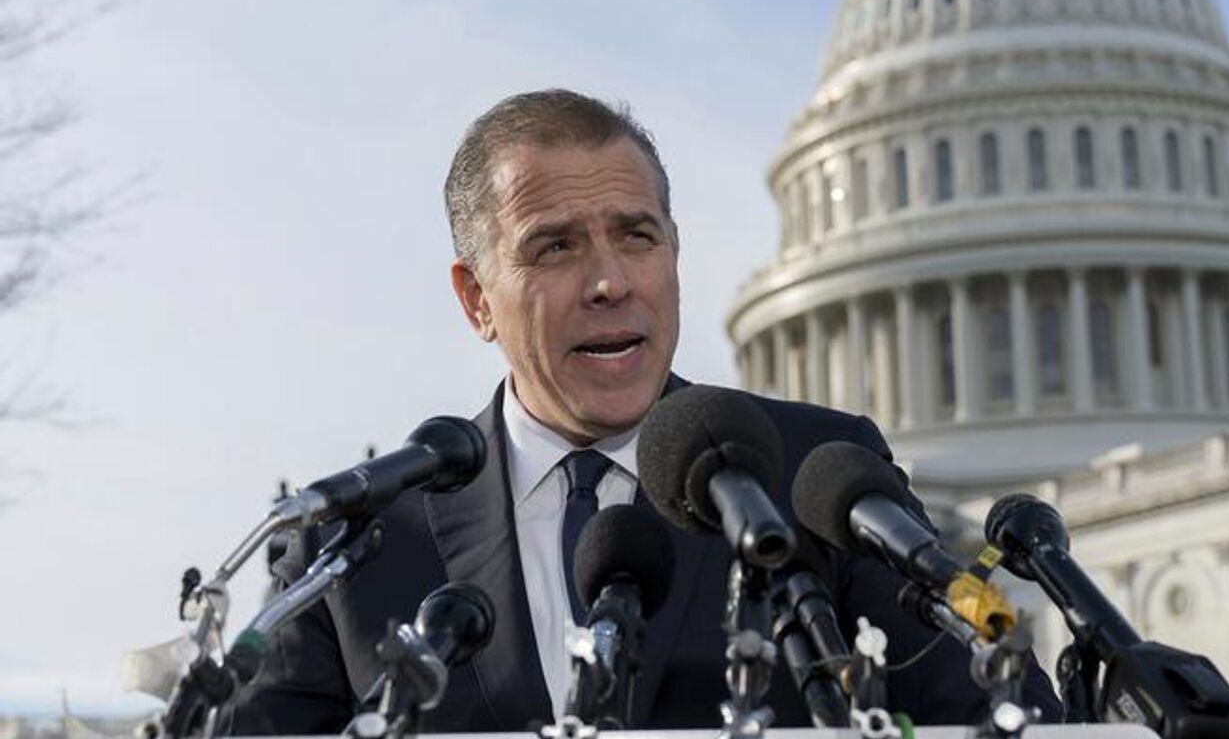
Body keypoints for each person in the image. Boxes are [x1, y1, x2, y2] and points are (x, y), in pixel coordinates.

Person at [227, 89, 1059, 734]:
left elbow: (1004, 710)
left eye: (637, 236)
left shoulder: (815, 477)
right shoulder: (358, 547)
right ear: (476, 299)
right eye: (555, 246)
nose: (611, 282)